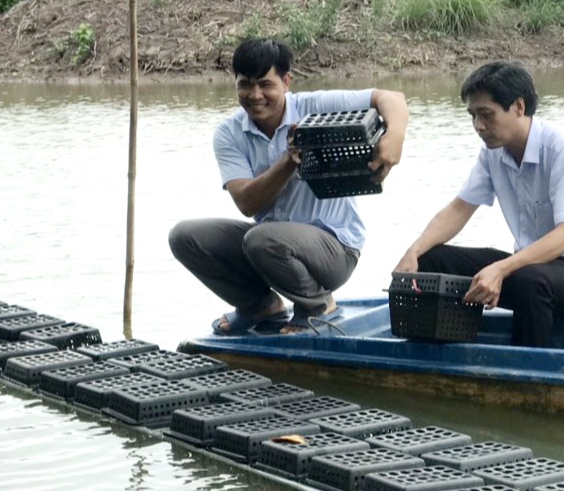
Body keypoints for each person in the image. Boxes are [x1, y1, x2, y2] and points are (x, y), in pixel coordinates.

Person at [169, 37, 408, 335]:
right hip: (269, 246)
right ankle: (259, 305)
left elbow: (391, 98)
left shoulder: (314, 106)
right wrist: (287, 162)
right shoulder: (229, 134)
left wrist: (393, 138)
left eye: (265, 85)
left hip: (335, 248)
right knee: (184, 237)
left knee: (262, 239)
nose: (255, 95)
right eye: (245, 85)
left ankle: (317, 304)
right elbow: (247, 203)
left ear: (286, 82)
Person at [394, 61, 564, 347]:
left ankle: (524, 372)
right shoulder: (492, 154)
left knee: (529, 280)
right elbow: (459, 209)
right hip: (528, 267)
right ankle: (439, 357)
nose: (479, 126)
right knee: (432, 260)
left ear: (519, 108)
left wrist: (502, 269)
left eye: (487, 115)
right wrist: (414, 250)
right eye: (473, 116)